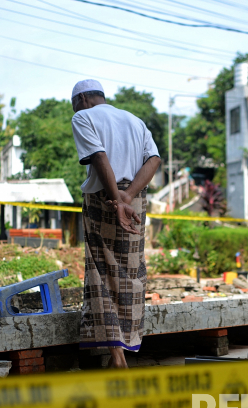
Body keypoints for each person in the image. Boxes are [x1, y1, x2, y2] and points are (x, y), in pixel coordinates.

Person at [71, 79, 161, 369]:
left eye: (74, 103)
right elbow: (155, 159)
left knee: (101, 273)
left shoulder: (83, 117)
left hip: (104, 198)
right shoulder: (135, 120)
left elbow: (98, 156)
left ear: (83, 98)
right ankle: (127, 342)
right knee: (131, 274)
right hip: (135, 198)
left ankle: (117, 355)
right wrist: (129, 196)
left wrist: (116, 199)